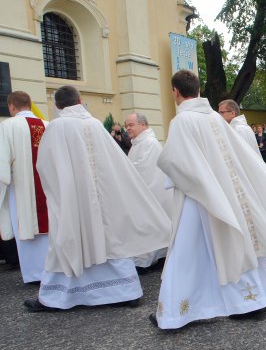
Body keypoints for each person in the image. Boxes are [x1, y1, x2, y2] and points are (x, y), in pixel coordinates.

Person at [152, 70, 266, 330]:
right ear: (198, 89)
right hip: (226, 192)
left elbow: (175, 163)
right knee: (232, 244)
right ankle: (252, 302)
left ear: (175, 91)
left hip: (197, 196)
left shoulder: (182, 121)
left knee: (187, 251)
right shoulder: (214, 117)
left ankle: (177, 312)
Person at [24, 85, 170, 312]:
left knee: (68, 240)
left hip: (73, 200)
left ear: (57, 105)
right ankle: (125, 291)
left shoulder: (56, 127)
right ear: (80, 100)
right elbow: (115, 161)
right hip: (101, 200)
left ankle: (56, 297)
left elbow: (45, 166)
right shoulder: (94, 124)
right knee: (111, 239)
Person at [0, 91, 49, 283]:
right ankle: (52, 269)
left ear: (12, 106)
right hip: (47, 189)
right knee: (49, 227)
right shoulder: (47, 125)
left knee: (25, 226)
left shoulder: (7, 126)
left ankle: (34, 274)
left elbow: (2, 163)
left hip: (19, 190)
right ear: (30, 104)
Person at [125, 112, 172, 270]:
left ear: (143, 125)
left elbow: (143, 169)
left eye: (131, 125)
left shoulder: (149, 143)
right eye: (126, 126)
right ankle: (155, 258)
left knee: (150, 225)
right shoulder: (138, 143)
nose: (127, 128)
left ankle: (146, 261)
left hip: (151, 192)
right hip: (145, 192)